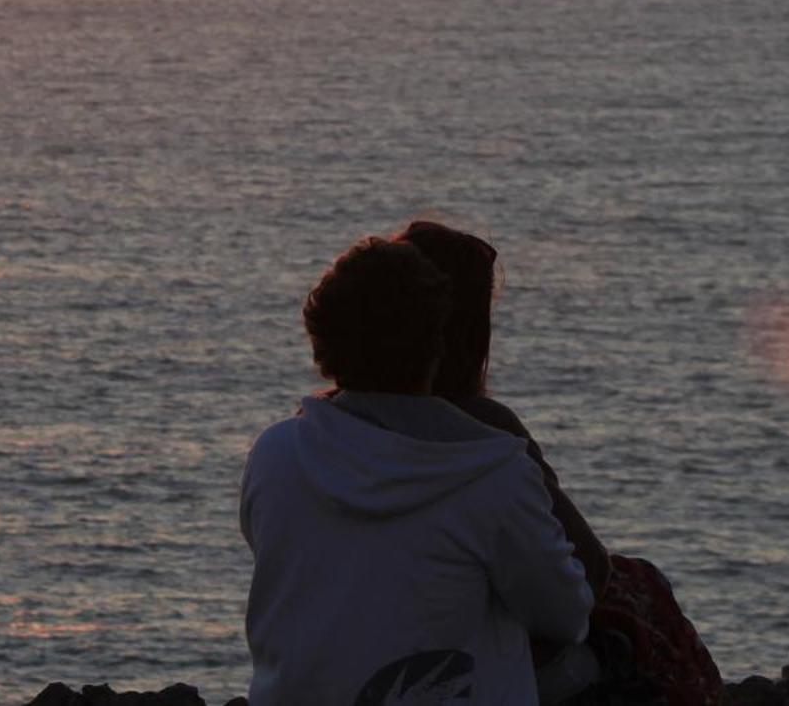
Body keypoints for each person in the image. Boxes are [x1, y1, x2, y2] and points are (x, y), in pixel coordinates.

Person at [241, 235, 594, 706]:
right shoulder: (494, 473)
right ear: (435, 344)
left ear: (323, 342)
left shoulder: (275, 455)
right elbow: (566, 616)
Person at [395, 220, 724, 706]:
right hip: (462, 666)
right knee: (640, 595)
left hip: (359, 651)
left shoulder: (308, 434)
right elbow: (587, 569)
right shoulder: (488, 433)